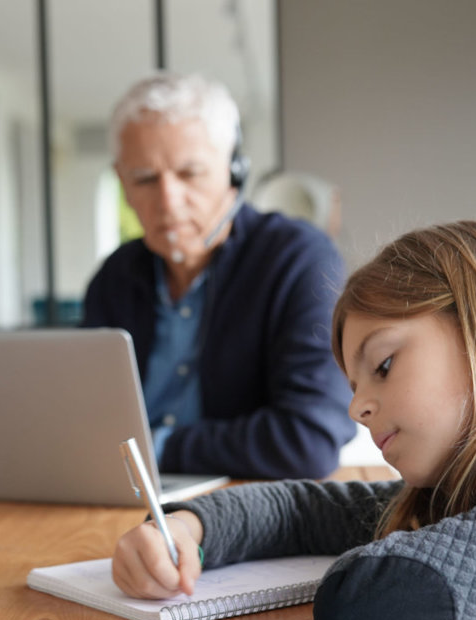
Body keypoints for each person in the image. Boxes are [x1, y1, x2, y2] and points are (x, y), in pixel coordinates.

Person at [110, 220, 476, 620]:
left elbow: (372, 609)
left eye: (383, 366)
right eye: (353, 386)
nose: (356, 408)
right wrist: (186, 527)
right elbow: (301, 512)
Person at [81, 72, 355, 479]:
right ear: (122, 181)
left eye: (190, 173)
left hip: (242, 497)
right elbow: (83, 423)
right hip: (120, 489)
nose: (168, 202)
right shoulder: (114, 276)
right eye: (144, 179)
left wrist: (156, 448)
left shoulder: (298, 259)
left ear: (234, 171)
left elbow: (308, 439)